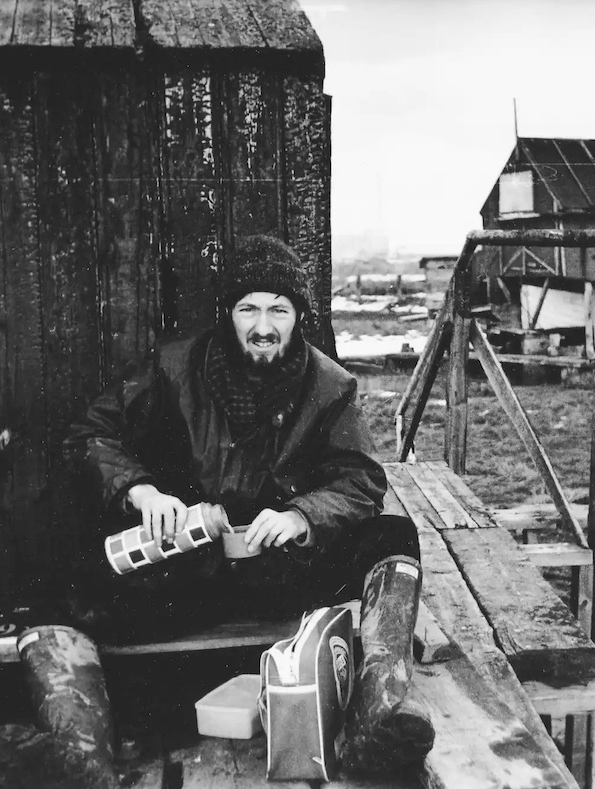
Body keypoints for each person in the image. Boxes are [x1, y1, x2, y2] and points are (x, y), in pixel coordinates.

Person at [47, 234, 433, 778]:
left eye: (279, 308)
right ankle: (81, 755)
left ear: (299, 315)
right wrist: (143, 491)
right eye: (248, 307)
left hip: (279, 571)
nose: (263, 325)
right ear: (227, 314)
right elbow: (91, 434)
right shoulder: (173, 369)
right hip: (191, 571)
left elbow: (361, 478)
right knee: (63, 576)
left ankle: (379, 713)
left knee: (393, 537)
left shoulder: (329, 384)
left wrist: (303, 515)